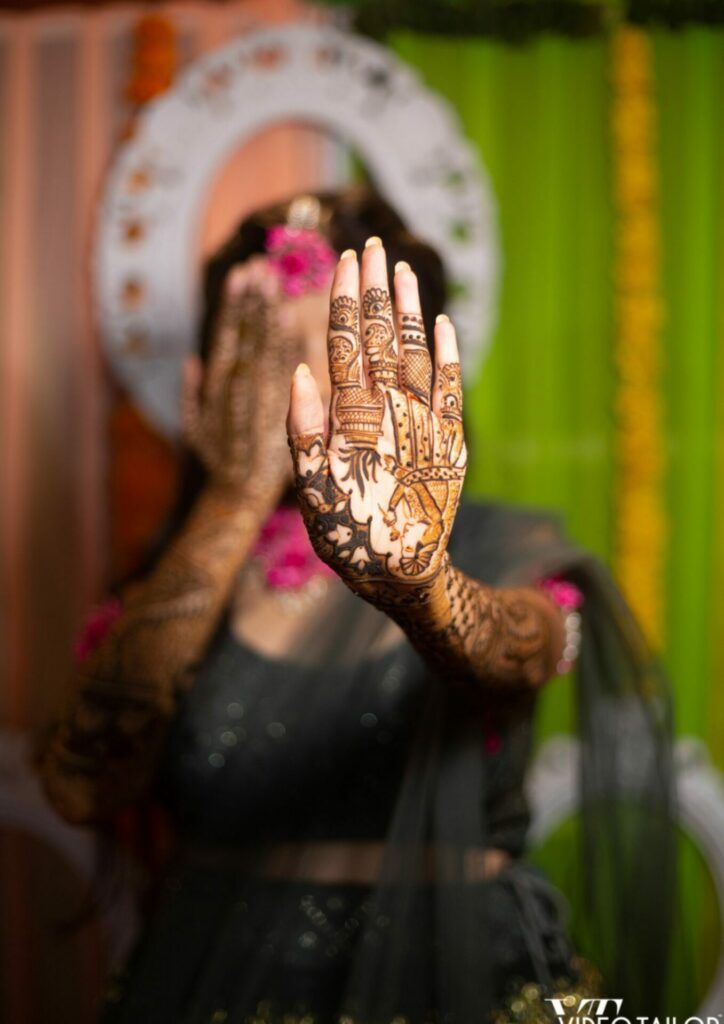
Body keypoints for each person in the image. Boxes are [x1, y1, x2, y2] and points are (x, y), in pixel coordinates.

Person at [38, 187, 676, 1024]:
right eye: (269, 364)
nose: (302, 407)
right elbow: (82, 788)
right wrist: (232, 499)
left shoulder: (497, 550)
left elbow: (514, 649)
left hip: (449, 979)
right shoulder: (172, 594)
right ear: (205, 389)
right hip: (211, 977)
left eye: (333, 367)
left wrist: (421, 586)